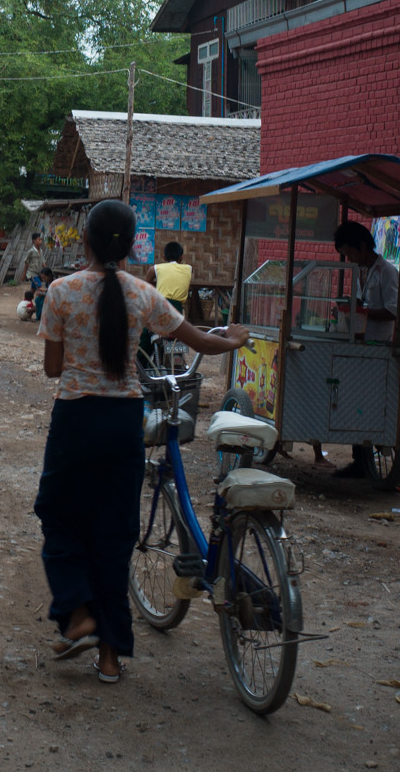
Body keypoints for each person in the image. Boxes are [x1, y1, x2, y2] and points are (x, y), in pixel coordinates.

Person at [35, 198, 249, 685]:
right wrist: (234, 340)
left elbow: (53, 368)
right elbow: (200, 341)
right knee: (114, 534)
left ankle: (77, 613)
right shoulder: (143, 295)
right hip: (123, 421)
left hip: (75, 420)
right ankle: (111, 657)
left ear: (86, 241)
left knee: (59, 515)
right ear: (132, 246)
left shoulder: (61, 292)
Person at [331, 218, 400, 490]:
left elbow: (392, 310)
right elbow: (360, 303)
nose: (350, 259)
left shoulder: (386, 272)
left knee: (387, 406)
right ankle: (360, 460)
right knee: (358, 401)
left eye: (351, 253)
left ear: (363, 246)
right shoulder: (361, 271)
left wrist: (362, 311)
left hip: (381, 348)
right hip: (361, 346)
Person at [153, 240, 192, 310]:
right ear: (181, 257)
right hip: (177, 308)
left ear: (164, 257)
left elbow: (146, 285)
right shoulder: (189, 268)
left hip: (160, 306)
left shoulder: (156, 268)